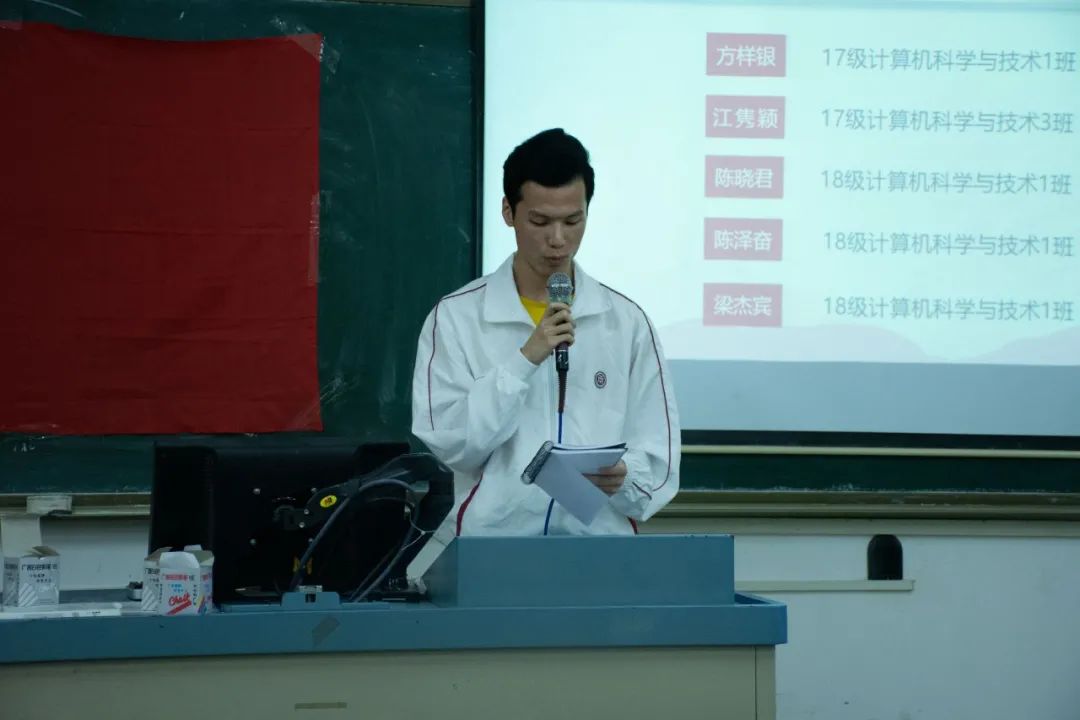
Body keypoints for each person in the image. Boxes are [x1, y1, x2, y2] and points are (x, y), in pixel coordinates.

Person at [410, 128, 680, 536]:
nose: (558, 240)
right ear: (508, 212)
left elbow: (659, 462)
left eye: (573, 221)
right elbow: (452, 444)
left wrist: (624, 477)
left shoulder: (625, 322)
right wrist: (524, 360)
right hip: (493, 548)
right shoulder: (457, 318)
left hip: (599, 549)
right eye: (540, 221)